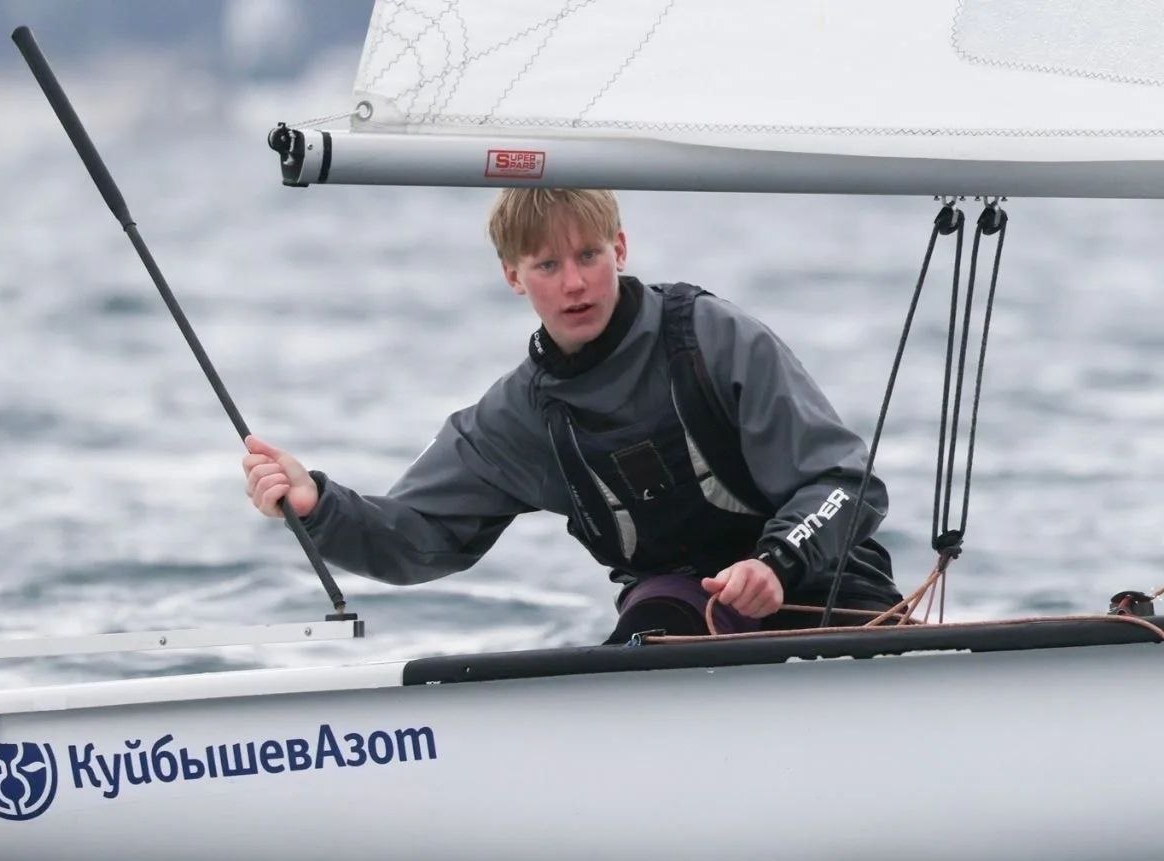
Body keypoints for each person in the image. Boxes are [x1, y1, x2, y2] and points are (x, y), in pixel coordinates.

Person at [243, 189, 902, 641]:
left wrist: (776, 563)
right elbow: (414, 537)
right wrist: (316, 504)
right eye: (547, 265)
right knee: (653, 626)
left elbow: (846, 482)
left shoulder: (713, 338)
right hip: (682, 612)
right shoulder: (519, 418)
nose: (575, 283)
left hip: (822, 584)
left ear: (620, 248)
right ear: (513, 275)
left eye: (588, 255)